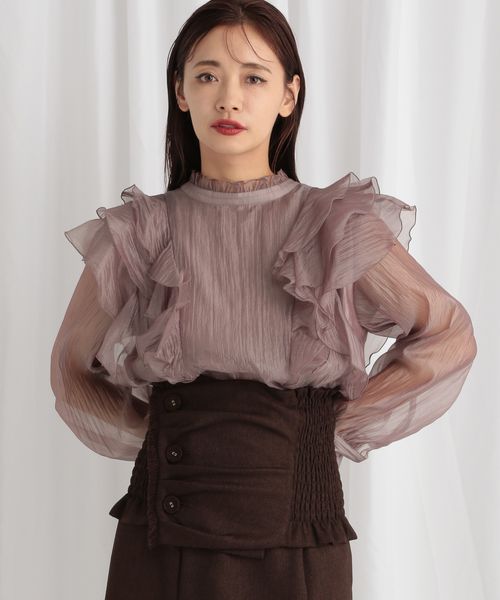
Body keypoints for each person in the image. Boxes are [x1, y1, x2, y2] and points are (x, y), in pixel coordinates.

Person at [50, 1, 478, 598]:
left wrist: (325, 431)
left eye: (253, 77)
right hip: (161, 538)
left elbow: (448, 334)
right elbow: (71, 369)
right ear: (181, 92)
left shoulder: (332, 224)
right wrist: (162, 438)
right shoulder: (140, 232)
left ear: (288, 95)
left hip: (301, 537)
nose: (229, 99)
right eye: (207, 76)